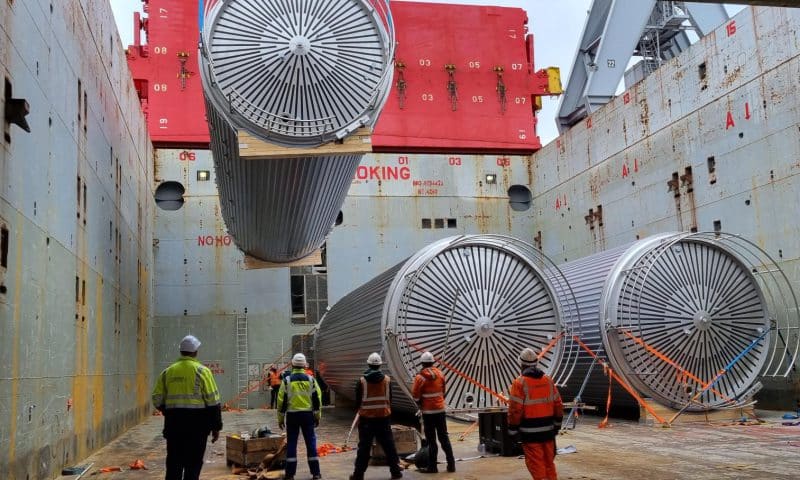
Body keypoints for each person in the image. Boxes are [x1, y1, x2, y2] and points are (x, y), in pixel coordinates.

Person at [151, 335, 222, 480]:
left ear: (181, 351)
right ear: (195, 352)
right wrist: (216, 427)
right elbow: (213, 401)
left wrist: (168, 411)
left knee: (174, 465)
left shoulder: (168, 372)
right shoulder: (202, 372)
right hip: (197, 429)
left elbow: (156, 398)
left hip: (174, 427)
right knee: (193, 465)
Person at [507, 347, 563, 480]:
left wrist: (512, 429)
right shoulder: (548, 380)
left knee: (536, 466)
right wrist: (556, 426)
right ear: (536, 363)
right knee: (549, 463)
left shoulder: (519, 383)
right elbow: (558, 405)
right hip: (548, 432)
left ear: (521, 364)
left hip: (530, 434)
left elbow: (515, 409)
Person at [349, 353, 403, 480]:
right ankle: (395, 472)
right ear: (380, 365)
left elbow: (358, 402)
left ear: (368, 364)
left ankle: (358, 475)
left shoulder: (361, 381)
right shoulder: (387, 380)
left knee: (364, 448)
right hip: (383, 418)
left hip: (367, 420)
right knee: (389, 446)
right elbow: (390, 399)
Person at [277, 353, 322, 480]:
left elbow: (281, 401)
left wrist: (280, 419)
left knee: (292, 443)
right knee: (311, 443)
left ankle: (290, 474)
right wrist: (317, 416)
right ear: (304, 365)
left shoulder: (287, 381)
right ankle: (316, 473)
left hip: (292, 416)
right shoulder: (311, 380)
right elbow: (317, 399)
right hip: (307, 416)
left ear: (292, 364)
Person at [411, 351, 455, 473]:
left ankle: (432, 467)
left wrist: (421, 405)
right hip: (440, 410)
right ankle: (451, 465)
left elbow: (415, 396)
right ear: (433, 362)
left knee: (431, 440)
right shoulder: (440, 374)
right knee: (444, 438)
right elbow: (443, 391)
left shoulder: (420, 378)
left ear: (422, 363)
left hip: (428, 413)